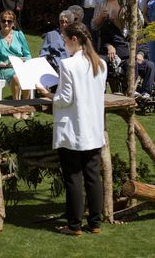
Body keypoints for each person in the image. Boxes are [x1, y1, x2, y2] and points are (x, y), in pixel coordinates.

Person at [36, 22, 106, 237]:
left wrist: (47, 94)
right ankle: (95, 223)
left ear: (74, 40)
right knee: (93, 176)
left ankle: (74, 225)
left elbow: (65, 99)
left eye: (65, 40)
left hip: (74, 128)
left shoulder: (68, 65)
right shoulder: (100, 63)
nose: (64, 45)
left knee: (73, 177)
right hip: (93, 127)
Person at [0, 10, 32, 98]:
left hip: (20, 66)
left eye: (9, 21)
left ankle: (24, 105)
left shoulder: (19, 35)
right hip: (6, 69)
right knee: (16, 77)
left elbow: (28, 55)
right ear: (0, 22)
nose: (6, 23)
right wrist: (5, 64)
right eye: (4, 21)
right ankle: (16, 105)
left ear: (13, 23)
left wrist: (20, 60)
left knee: (27, 75)